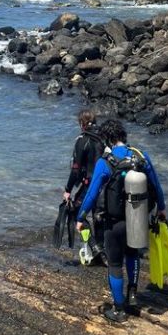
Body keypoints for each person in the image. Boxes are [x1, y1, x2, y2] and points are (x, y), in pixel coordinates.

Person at [76, 119, 167, 323]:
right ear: (124, 137)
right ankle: (132, 297)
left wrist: (80, 217)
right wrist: (161, 209)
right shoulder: (140, 156)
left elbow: (91, 195)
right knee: (133, 254)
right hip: (138, 218)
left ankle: (119, 310)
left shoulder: (105, 162)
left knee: (115, 263)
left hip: (114, 222)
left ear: (107, 139)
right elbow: (156, 186)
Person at [63, 109, 106, 260]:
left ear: (82, 124)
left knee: (75, 211)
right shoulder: (105, 137)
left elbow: (76, 170)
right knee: (99, 216)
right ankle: (103, 251)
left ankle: (94, 247)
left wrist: (68, 189)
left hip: (90, 185)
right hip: (108, 185)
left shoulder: (82, 140)